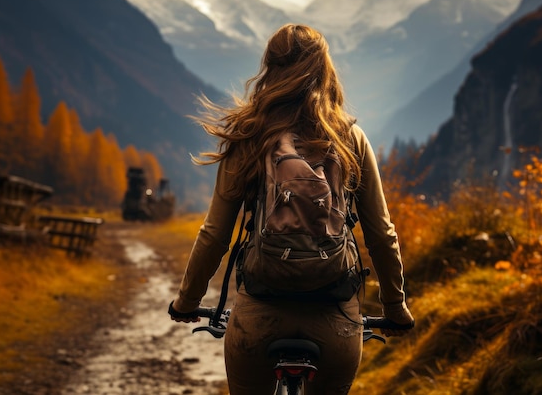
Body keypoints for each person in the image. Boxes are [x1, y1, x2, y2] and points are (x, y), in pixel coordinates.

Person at [169, 23, 414, 395]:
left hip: (259, 316)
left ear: (270, 67)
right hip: (335, 319)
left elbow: (215, 233)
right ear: (325, 69)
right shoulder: (350, 137)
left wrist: (187, 301)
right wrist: (395, 308)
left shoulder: (250, 135)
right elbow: (381, 234)